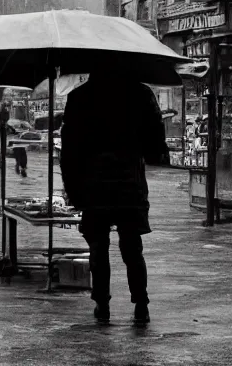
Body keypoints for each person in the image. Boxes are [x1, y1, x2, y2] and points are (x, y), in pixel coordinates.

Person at [61, 70, 167, 327]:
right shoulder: (141, 94)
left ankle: (103, 304)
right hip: (130, 185)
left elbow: (69, 150)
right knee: (132, 248)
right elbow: (156, 146)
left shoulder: (79, 97)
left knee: (98, 248)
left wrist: (73, 191)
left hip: (94, 187)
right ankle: (141, 305)